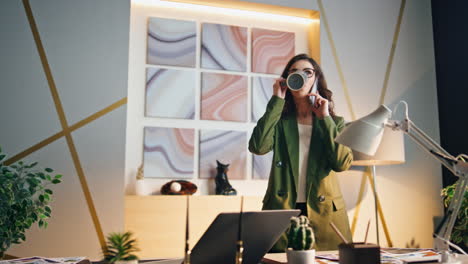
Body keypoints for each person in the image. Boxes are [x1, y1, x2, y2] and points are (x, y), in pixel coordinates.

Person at [249, 53, 353, 252]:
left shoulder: (335, 122)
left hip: (325, 213)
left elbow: (341, 163)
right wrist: (276, 101)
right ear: (287, 79)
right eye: (294, 72)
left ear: (316, 80)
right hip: (283, 209)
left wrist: (324, 119)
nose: (301, 76)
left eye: (308, 72)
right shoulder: (279, 121)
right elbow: (258, 147)